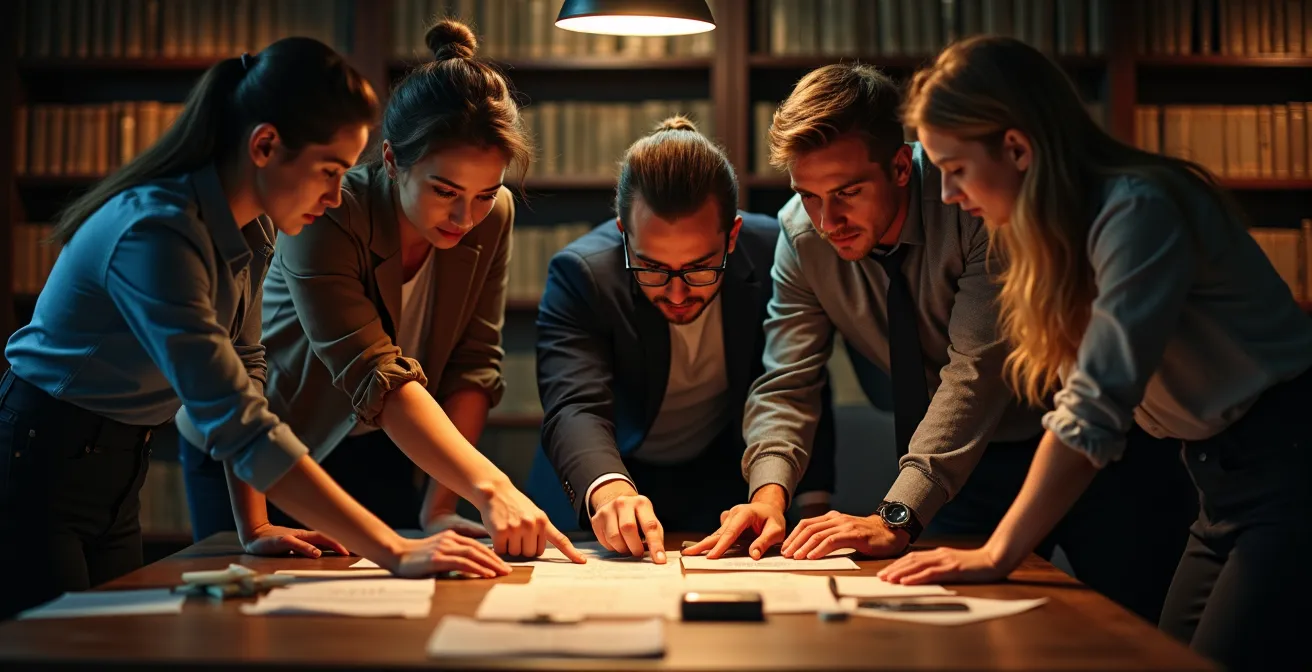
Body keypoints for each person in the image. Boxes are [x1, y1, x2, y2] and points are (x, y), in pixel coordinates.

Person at [0, 38, 523, 621]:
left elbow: (249, 371)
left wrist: (255, 525)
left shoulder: (251, 230)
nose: (334, 196)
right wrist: (396, 550)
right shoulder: (157, 232)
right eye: (328, 172)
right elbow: (237, 422)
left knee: (112, 641)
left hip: (121, 466)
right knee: (53, 645)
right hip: (41, 453)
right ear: (265, 146)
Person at [686, 62, 1196, 623]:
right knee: (949, 631)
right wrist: (768, 492)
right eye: (808, 194)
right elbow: (787, 382)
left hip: (1093, 453)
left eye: (848, 191)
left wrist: (898, 513)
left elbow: (974, 374)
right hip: (963, 472)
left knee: (1141, 634)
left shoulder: (973, 201)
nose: (828, 220)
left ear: (901, 166)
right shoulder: (801, 234)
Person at [877, 36, 1312, 669]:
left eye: (955, 168)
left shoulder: (1140, 209)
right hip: (1217, 484)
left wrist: (997, 555)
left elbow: (1089, 414)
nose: (945, 194)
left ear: (1018, 148)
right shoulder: (1058, 233)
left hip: (1288, 469)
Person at [176, 21, 584, 564]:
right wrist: (492, 487)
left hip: (389, 442)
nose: (466, 216)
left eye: (485, 193)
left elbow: (474, 362)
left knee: (394, 615)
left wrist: (444, 503)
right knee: (263, 622)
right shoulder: (328, 210)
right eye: (444, 191)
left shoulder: (492, 217)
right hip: (265, 452)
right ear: (392, 161)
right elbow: (372, 369)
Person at [525, 117, 838, 562]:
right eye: (651, 267)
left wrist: (812, 503)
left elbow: (798, 379)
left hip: (722, 479)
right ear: (624, 235)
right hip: (608, 478)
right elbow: (575, 403)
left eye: (698, 268)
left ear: (732, 237)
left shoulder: (777, 253)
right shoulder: (581, 273)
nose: (676, 293)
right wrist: (609, 489)